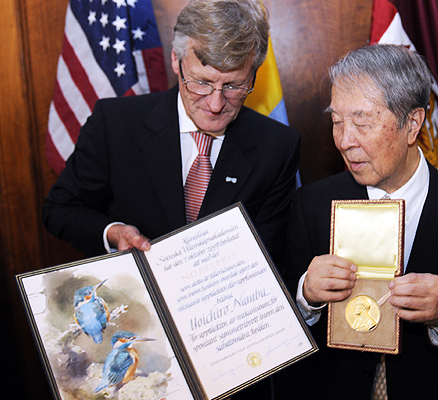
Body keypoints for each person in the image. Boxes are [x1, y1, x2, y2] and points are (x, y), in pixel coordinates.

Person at [275, 44, 438, 400]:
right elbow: (280, 331)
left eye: (362, 122)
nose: (345, 141)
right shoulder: (311, 204)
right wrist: (305, 295)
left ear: (412, 124)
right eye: (337, 121)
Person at [42, 0, 300, 270]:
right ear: (176, 60)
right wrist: (113, 232)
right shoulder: (115, 123)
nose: (215, 104)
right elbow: (60, 209)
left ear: (254, 76)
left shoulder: (278, 146)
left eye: (234, 86)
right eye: (202, 82)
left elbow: (269, 257)